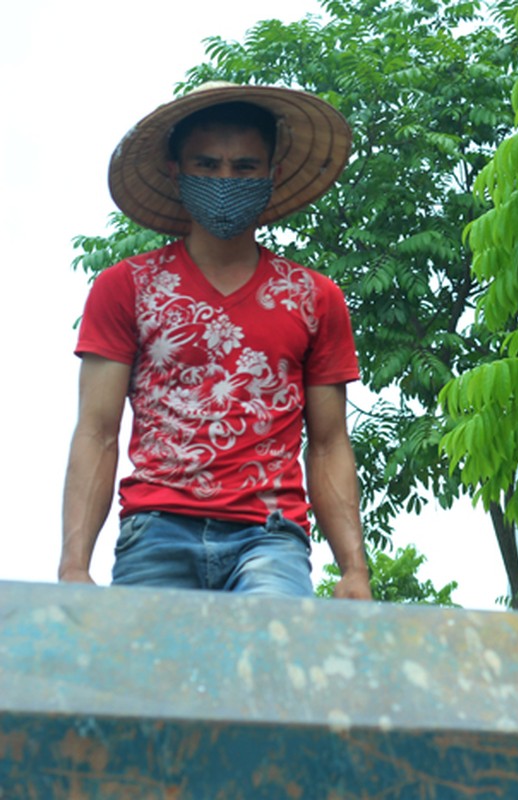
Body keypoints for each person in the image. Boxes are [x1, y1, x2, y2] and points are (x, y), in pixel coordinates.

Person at [59, 82, 370, 600]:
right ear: (176, 172)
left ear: (270, 175)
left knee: (271, 664)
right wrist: (73, 568)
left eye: (244, 167)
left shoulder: (314, 298)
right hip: (156, 528)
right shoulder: (125, 288)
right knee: (150, 679)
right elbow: (96, 431)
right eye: (207, 165)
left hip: (270, 536)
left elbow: (330, 442)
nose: (225, 179)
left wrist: (354, 570)